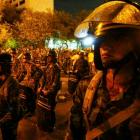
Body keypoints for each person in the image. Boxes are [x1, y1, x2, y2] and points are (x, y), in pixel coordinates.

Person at [65, 1, 140, 140]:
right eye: (101, 39)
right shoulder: (86, 86)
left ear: (135, 43)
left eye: (115, 38)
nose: (105, 46)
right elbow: (73, 132)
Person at [36, 49, 61, 132]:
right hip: (44, 89)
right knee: (42, 108)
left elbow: (55, 82)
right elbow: (43, 77)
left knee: (50, 109)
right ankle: (43, 124)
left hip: (52, 92)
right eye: (48, 57)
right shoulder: (47, 66)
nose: (48, 58)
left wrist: (49, 91)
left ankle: (51, 125)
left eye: (50, 57)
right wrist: (40, 87)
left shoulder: (56, 67)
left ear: (54, 57)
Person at [0, 53, 19, 140]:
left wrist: (2, 120)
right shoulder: (1, 79)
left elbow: (14, 109)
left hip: (8, 124)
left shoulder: (12, 83)